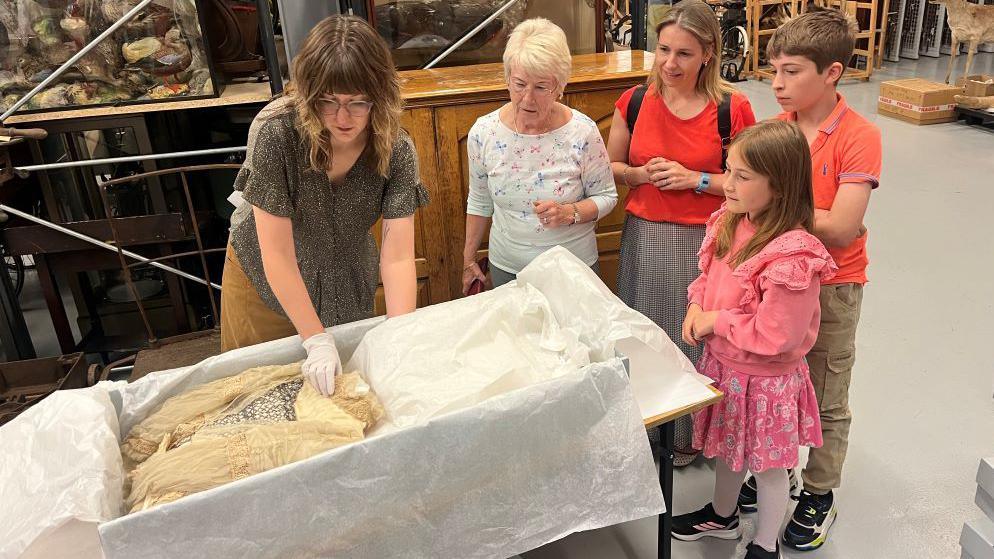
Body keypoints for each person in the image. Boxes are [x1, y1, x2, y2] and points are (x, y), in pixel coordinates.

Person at [735, 10, 883, 550]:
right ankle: (779, 470)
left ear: (833, 72)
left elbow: (842, 230)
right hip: (773, 282)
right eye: (773, 70)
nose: (776, 83)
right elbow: (752, 200)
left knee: (825, 391)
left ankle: (819, 489)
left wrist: (777, 207)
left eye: (791, 71)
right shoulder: (775, 131)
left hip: (834, 285)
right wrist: (803, 212)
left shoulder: (859, 137)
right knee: (773, 379)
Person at [220, 16, 428, 396]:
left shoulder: (396, 148)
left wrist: (401, 334)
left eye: (357, 103)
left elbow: (397, 257)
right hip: (266, 281)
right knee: (258, 396)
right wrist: (315, 339)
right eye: (328, 102)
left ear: (379, 95)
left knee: (345, 398)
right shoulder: (277, 134)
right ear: (309, 94)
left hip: (345, 278)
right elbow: (278, 254)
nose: (343, 118)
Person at [671, 120, 837, 559]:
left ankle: (764, 545)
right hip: (727, 369)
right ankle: (722, 517)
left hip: (766, 382)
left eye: (743, 177)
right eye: (728, 170)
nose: (728, 184)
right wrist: (695, 307)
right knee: (728, 452)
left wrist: (714, 322)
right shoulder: (731, 221)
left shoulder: (794, 254)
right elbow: (708, 278)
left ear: (779, 186)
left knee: (766, 468)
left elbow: (777, 334)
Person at [605, 0, 756, 465]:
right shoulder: (634, 101)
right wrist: (641, 176)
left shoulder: (733, 109)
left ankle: (690, 432)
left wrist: (696, 179)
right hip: (644, 235)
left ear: (708, 54)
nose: (670, 64)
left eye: (684, 54)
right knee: (643, 330)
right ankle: (647, 422)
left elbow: (751, 184)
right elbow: (612, 167)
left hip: (706, 240)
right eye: (663, 50)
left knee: (692, 335)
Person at [462, 18, 617, 293]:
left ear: (560, 86)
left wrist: (570, 213)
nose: (527, 98)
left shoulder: (582, 132)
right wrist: (468, 258)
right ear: (507, 78)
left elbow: (607, 196)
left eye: (541, 87)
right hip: (508, 270)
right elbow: (479, 200)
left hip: (572, 271)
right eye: (519, 84)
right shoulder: (483, 133)